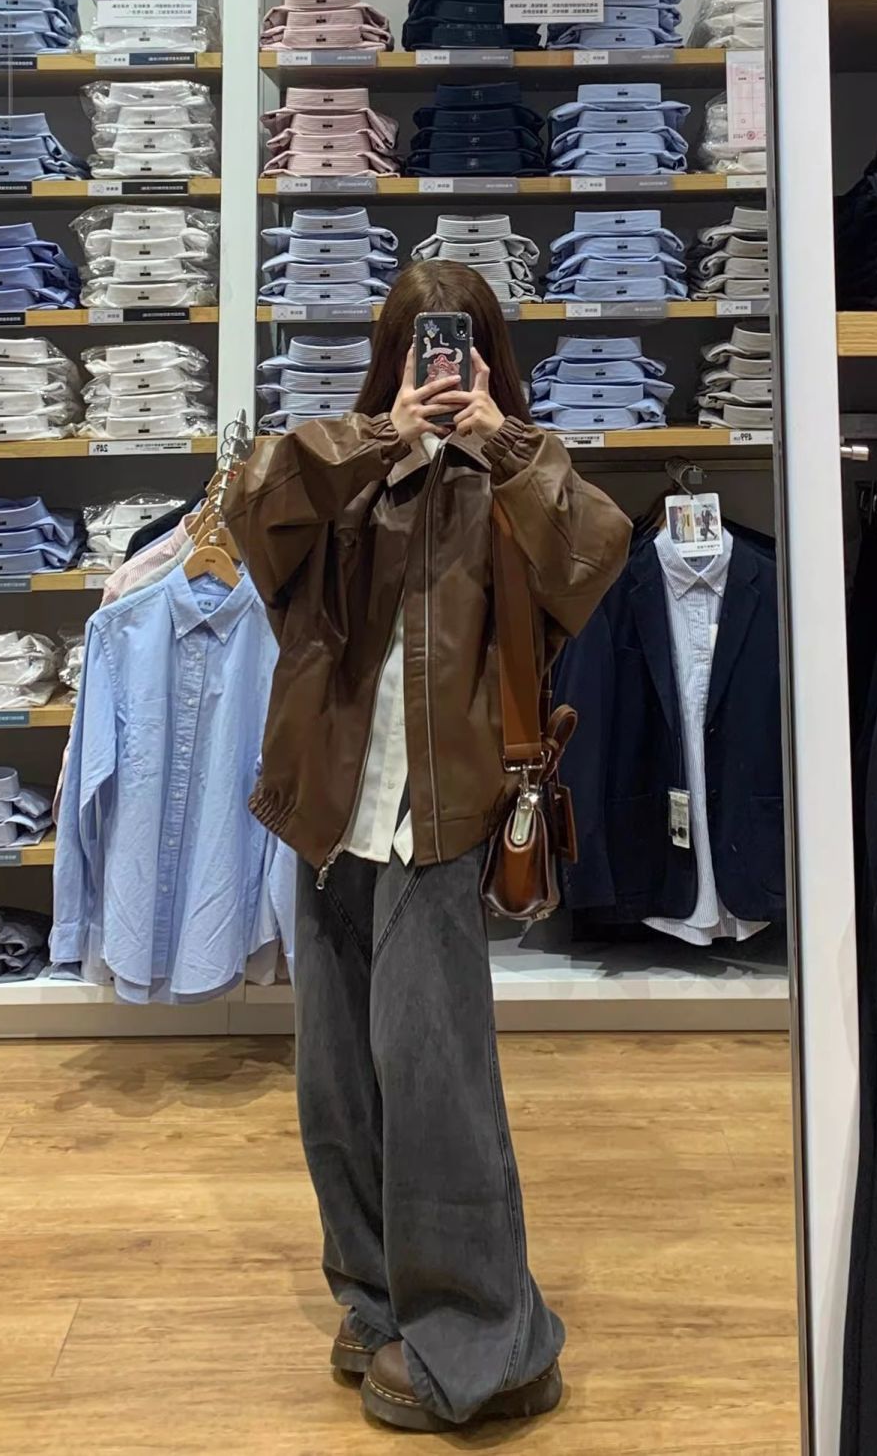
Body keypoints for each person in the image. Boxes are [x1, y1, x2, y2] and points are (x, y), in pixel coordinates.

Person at [225, 261, 631, 1433]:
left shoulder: (515, 476)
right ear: (391, 359)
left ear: (488, 356)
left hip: (439, 818)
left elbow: (593, 559)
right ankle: (376, 1298)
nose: (439, 370)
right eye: (417, 348)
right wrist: (378, 437)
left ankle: (487, 1339)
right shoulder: (344, 467)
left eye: (455, 347)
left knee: (436, 1080)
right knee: (336, 1086)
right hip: (329, 813)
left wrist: (501, 443)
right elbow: (252, 514)